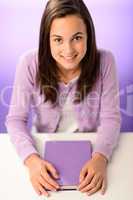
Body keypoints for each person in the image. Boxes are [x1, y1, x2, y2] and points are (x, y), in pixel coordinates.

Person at [5, 0, 121, 197]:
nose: (68, 51)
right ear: (46, 39)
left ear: (89, 36)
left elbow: (111, 118)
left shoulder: (105, 61)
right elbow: (15, 120)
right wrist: (31, 160)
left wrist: (101, 157)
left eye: (77, 37)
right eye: (58, 39)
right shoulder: (29, 63)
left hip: (90, 144)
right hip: (43, 144)